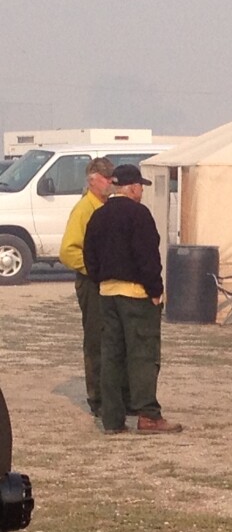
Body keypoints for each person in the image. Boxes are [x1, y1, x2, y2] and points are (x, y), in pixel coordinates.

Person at [83, 164, 182, 435]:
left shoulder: (98, 215)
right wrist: (155, 290)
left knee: (111, 356)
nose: (141, 192)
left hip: (107, 293)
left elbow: (89, 256)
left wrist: (100, 280)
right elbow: (147, 257)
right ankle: (148, 415)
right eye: (140, 187)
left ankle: (112, 419)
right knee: (143, 356)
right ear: (133, 187)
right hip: (136, 295)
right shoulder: (139, 215)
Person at [59, 157, 116, 417]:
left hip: (107, 282)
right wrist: (94, 268)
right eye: (105, 177)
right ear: (92, 179)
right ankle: (97, 398)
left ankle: (113, 394)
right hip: (91, 282)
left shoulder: (108, 207)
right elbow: (68, 251)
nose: (110, 181)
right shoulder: (84, 210)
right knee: (95, 339)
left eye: (111, 177)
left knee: (112, 339)